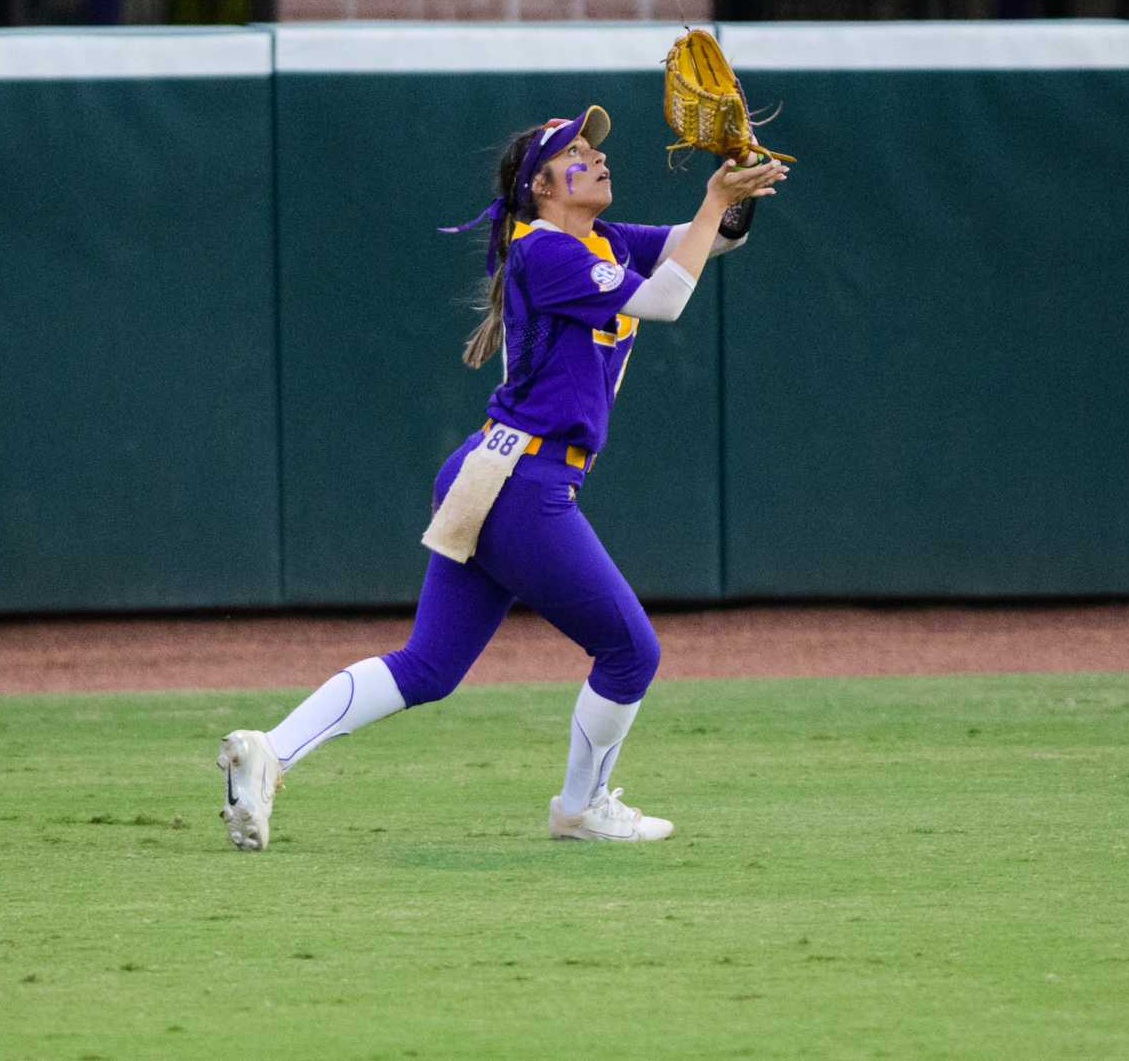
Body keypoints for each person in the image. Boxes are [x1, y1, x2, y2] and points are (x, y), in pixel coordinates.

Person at [218, 105, 788, 849]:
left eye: (594, 147)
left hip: (489, 470)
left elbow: (707, 243)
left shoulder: (601, 239)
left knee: (427, 666)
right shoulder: (545, 251)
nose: (597, 156)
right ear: (542, 185)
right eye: (576, 152)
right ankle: (580, 807)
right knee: (630, 651)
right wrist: (714, 199)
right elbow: (668, 298)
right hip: (525, 481)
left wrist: (735, 186)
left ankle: (269, 751)